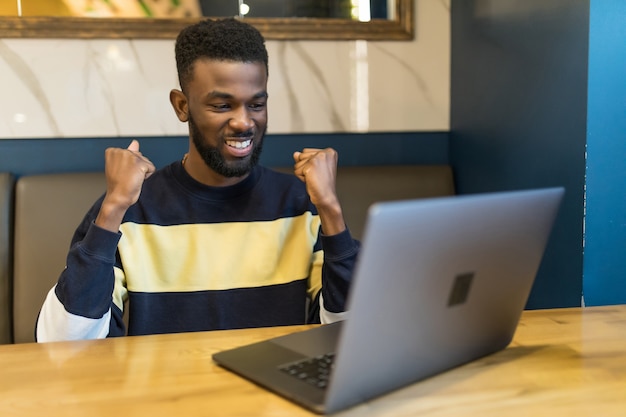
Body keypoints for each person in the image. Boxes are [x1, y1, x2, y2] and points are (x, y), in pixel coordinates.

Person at [36, 18, 359, 342]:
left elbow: (350, 334)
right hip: (165, 393)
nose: (244, 122)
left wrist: (330, 209)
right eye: (222, 105)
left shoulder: (302, 204)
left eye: (256, 104)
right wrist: (113, 207)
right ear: (182, 105)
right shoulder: (131, 209)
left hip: (271, 392)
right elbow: (60, 346)